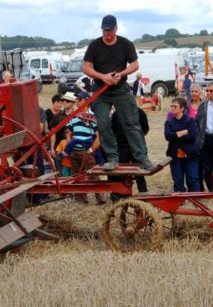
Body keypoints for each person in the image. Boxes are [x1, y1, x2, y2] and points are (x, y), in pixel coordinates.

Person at [82, 14, 154, 172]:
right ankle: (112, 158)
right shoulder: (94, 45)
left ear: (116, 29)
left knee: (131, 122)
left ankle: (142, 158)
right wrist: (103, 77)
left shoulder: (125, 44)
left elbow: (135, 65)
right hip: (101, 89)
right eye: (105, 30)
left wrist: (121, 74)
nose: (107, 34)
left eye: (110, 30)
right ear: (102, 29)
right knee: (103, 123)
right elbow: (86, 67)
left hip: (121, 89)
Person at [110, 104, 150, 193]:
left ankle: (143, 194)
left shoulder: (140, 113)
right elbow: (113, 130)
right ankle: (121, 194)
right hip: (122, 147)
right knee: (121, 171)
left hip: (137, 147)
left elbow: (145, 129)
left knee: (139, 171)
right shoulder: (116, 114)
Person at [163, 98, 199, 192]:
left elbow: (192, 136)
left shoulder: (190, 120)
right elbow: (168, 136)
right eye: (171, 106)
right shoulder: (169, 122)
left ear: (182, 108)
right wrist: (182, 132)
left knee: (192, 178)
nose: (173, 108)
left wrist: (175, 135)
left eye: (175, 106)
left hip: (190, 154)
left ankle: (194, 199)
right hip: (175, 155)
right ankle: (180, 200)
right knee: (178, 179)